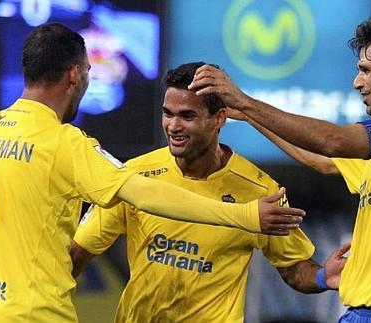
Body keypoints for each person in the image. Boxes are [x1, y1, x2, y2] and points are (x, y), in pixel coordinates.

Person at [0, 24, 305, 323]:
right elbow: (142, 191)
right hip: (35, 312)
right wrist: (243, 214)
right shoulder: (64, 143)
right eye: (90, 70)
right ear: (75, 74)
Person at [189, 16, 371, 322]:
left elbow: (333, 141)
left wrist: (245, 100)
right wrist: (250, 115)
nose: (356, 82)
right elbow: (319, 158)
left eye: (365, 70)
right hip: (365, 313)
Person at [70, 62, 350, 323]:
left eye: (187, 116)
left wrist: (325, 276)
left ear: (219, 119)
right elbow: (79, 253)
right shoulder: (134, 176)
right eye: (168, 114)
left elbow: (294, 268)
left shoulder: (259, 189)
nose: (174, 126)